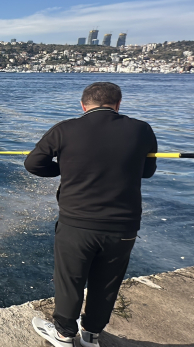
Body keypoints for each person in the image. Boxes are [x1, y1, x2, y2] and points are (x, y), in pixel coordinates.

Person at [24, 82, 157, 347]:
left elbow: (33, 164)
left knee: (70, 280)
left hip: (77, 223)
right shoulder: (141, 129)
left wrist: (64, 168)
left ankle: (64, 334)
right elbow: (147, 171)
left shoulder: (65, 129)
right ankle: (91, 334)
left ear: (83, 105)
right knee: (107, 283)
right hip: (123, 226)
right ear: (118, 104)